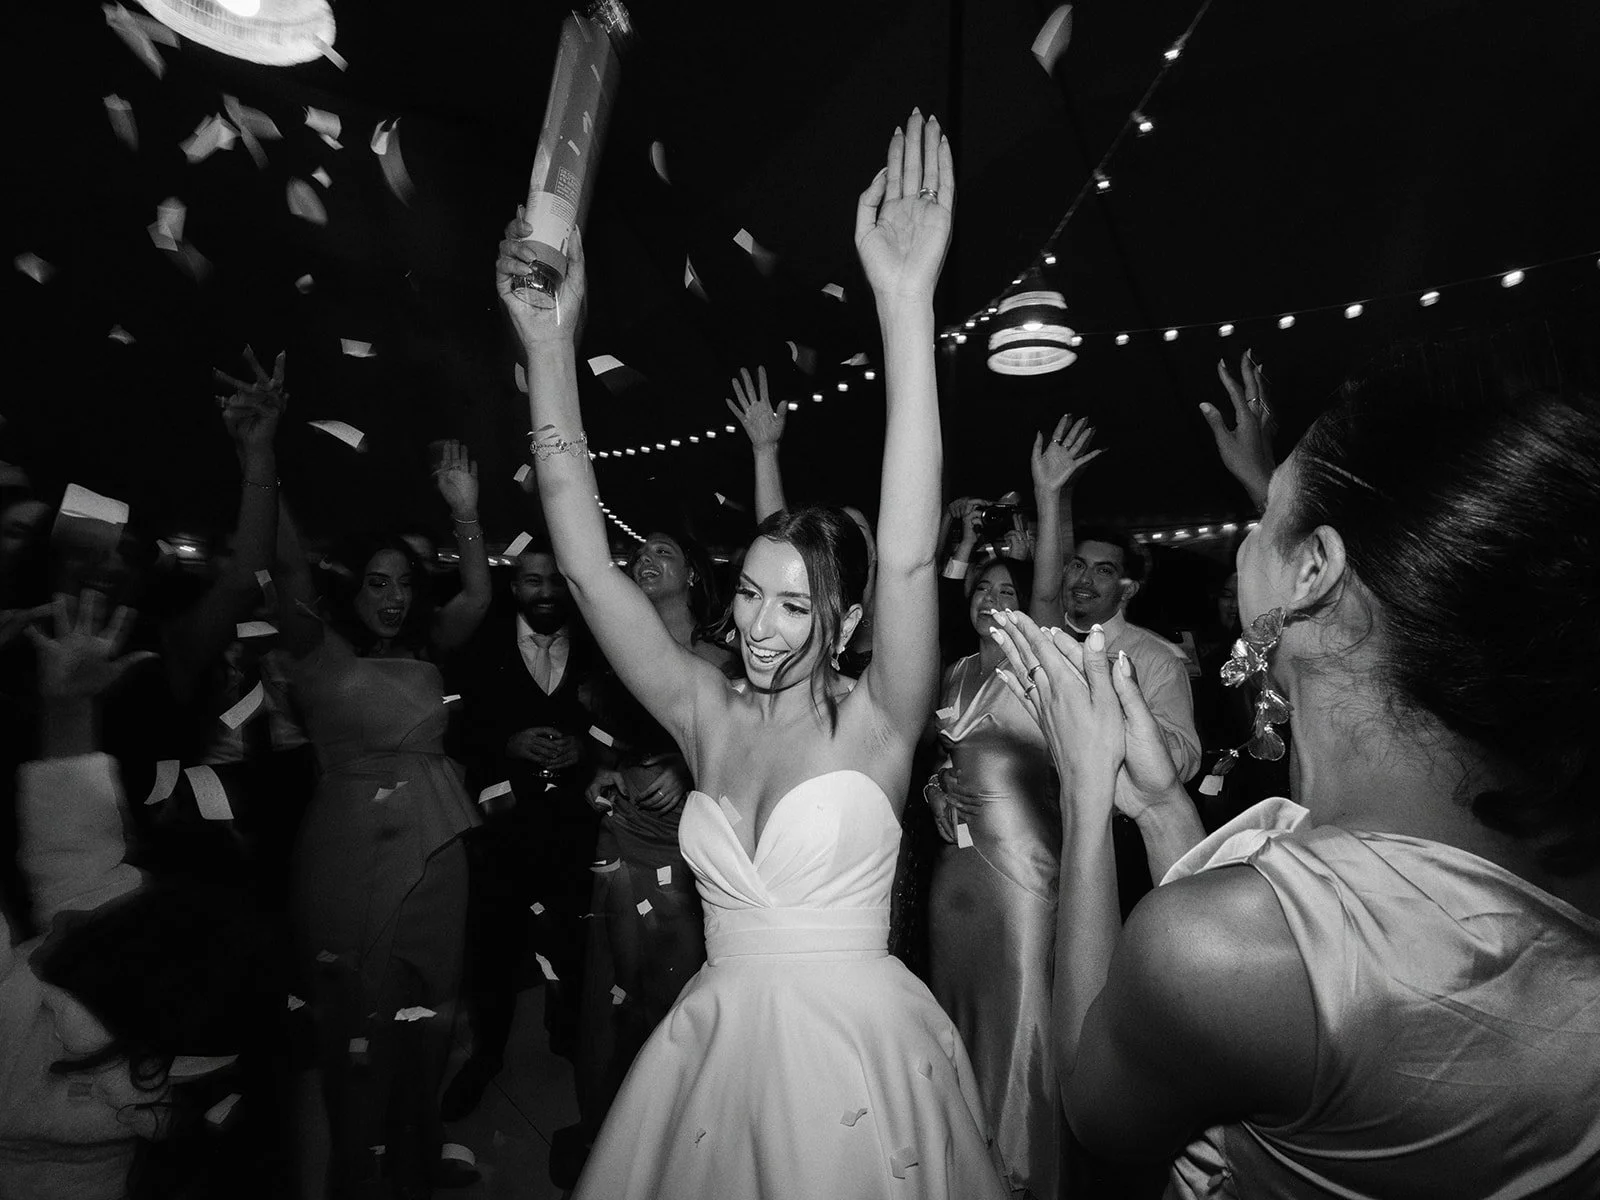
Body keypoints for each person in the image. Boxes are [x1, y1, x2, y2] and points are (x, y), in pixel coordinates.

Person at [499, 108, 1008, 1198]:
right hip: (715, 1053)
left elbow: (911, 557)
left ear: (847, 626)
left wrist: (904, 307)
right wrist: (549, 351)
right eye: (750, 596)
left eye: (798, 606)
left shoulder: (879, 721)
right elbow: (588, 567)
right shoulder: (703, 711)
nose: (764, 626)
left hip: (857, 1065)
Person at [989, 370, 1600, 1197]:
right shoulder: (1534, 851)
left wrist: (1086, 795)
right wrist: (1163, 805)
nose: (1245, 541)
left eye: (1265, 511)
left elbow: (1100, 1114)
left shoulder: (1218, 947)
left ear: (1313, 569)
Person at [270, 432, 493, 1199]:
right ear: (351, 589)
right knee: (357, 1019)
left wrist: (466, 513)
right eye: (376, 583)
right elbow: (288, 569)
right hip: (350, 851)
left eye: (402, 582)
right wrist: (260, 458)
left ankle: (413, 1154)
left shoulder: (432, 643)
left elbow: (477, 597)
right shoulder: (317, 650)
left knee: (426, 1015)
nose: (393, 597)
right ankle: (353, 1172)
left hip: (438, 861)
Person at [2, 592, 278, 1200]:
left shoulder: (16, 1023)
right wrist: (69, 704)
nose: (66, 917)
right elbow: (71, 846)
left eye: (83, 932)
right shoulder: (139, 1029)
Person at [558, 528, 733, 1185]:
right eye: (642, 553)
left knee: (676, 993)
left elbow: (744, 750)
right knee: (614, 991)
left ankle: (679, 1148)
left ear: (691, 573)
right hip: (621, 833)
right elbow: (607, 734)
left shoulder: (717, 659)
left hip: (684, 848)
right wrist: (600, 770)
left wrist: (691, 780)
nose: (647, 559)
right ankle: (614, 1138)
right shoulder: (617, 651)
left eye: (664, 551)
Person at [445, 542, 606, 1123]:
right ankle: (486, 1055)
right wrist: (505, 745)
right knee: (492, 946)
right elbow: (451, 733)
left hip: (573, 826)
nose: (544, 594)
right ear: (515, 588)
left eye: (554, 583)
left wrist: (585, 747)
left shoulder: (595, 647)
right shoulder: (479, 647)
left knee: (572, 938)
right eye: (532, 582)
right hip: (501, 825)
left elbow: (614, 726)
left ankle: (567, 1035)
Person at [923, 554, 1060, 1199]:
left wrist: (1051, 501)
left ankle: (1021, 1172)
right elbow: (939, 757)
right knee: (959, 1010)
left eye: (1010, 590)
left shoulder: (1039, 671)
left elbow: (1051, 587)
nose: (993, 599)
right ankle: (964, 1159)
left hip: (1022, 875)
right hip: (957, 874)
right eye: (983, 587)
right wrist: (932, 789)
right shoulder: (952, 672)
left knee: (1022, 1012)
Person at [1028, 416, 1200, 785]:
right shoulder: (1045, 638)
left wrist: (1126, 707)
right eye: (1078, 565)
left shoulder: (1158, 659)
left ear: (1128, 589)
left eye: (1103, 571)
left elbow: (1185, 760)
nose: (1084, 580)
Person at [728, 366, 879, 673]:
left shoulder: (895, 615)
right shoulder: (802, 602)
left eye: (858, 530)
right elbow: (779, 538)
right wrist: (765, 450)